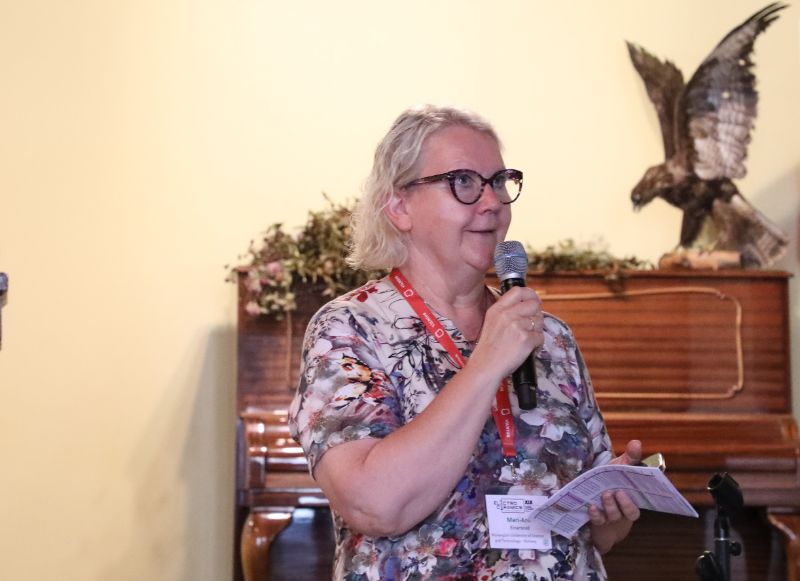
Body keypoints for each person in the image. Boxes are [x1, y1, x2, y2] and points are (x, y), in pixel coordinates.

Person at [289, 104, 642, 580]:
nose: (492, 201)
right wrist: (485, 365)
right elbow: (374, 506)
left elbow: (596, 535)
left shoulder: (550, 336)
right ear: (399, 206)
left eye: (499, 181)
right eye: (464, 182)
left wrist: (610, 514)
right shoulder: (350, 328)